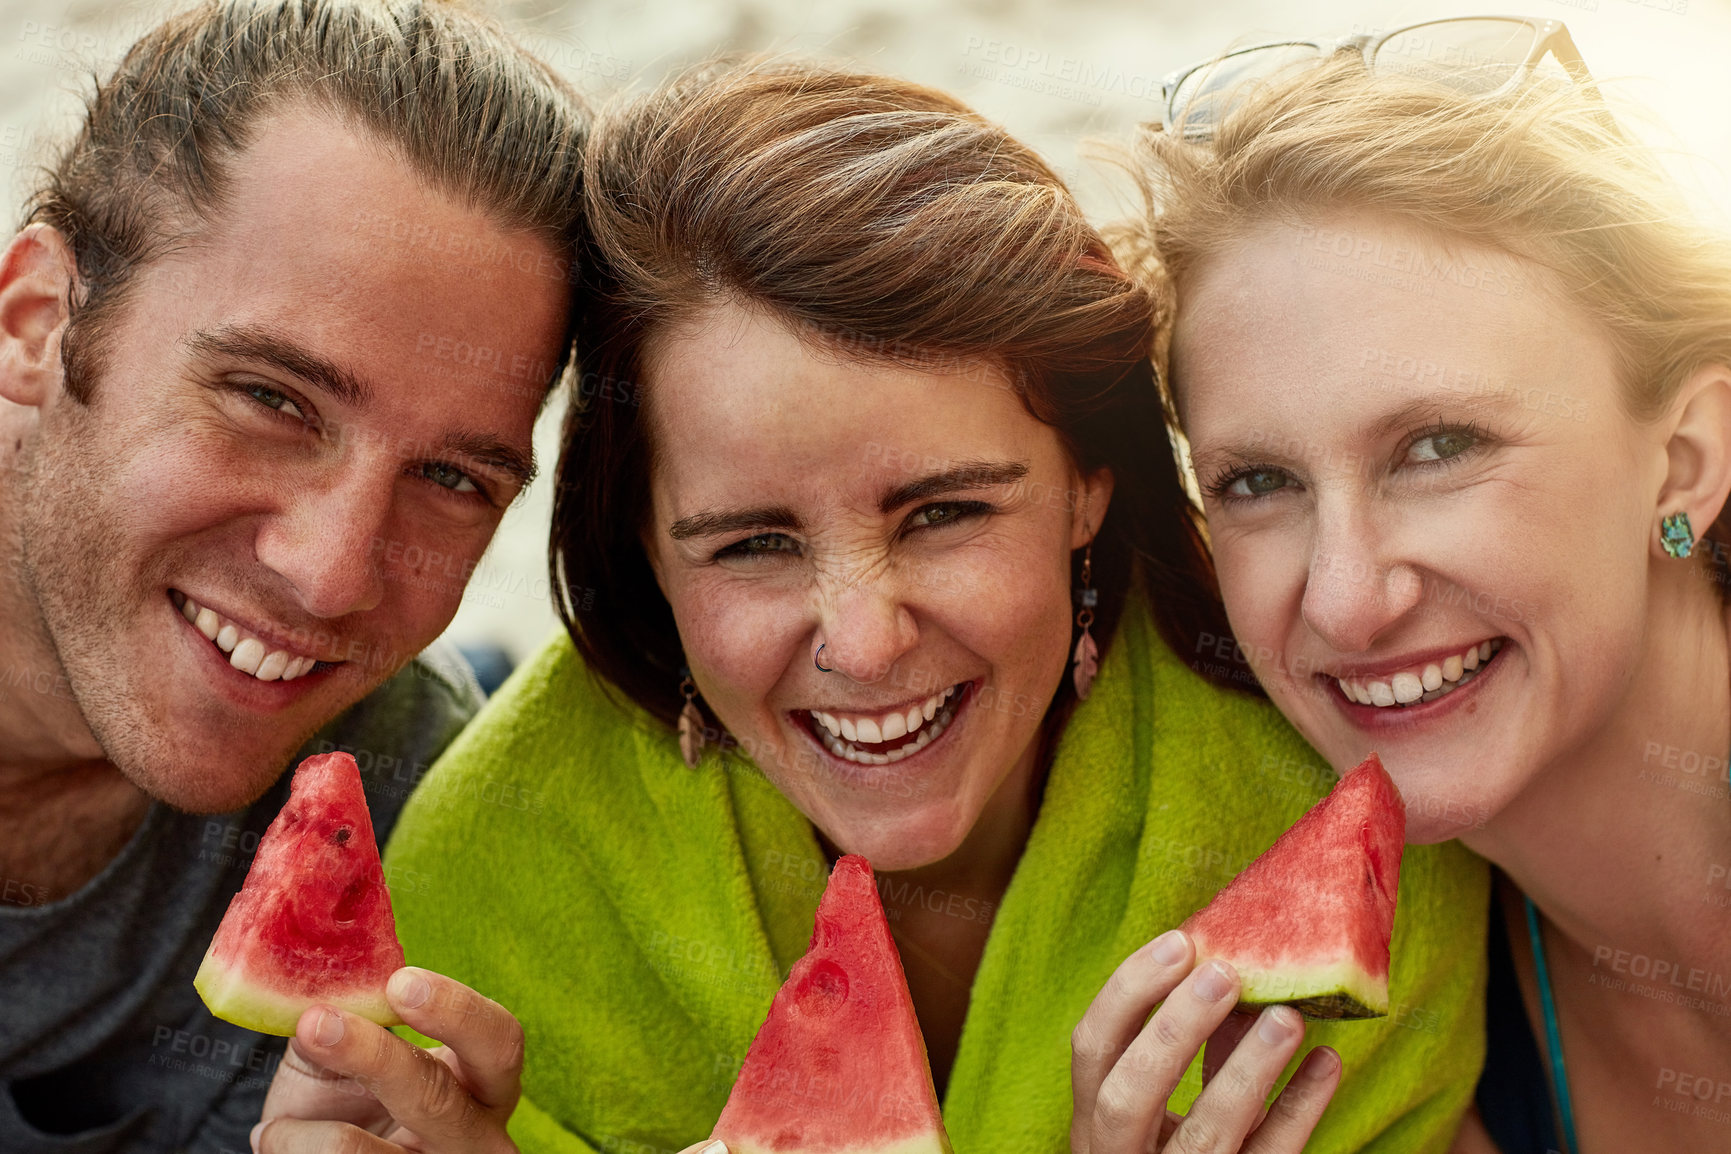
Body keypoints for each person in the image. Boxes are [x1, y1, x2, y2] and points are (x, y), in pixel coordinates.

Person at [382, 59, 1491, 1154]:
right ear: (648, 558)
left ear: (1087, 488)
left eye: (943, 514)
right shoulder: (488, 872)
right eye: (753, 544)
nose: (864, 644)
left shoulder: (1336, 792)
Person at [1128, 34, 1731, 1154]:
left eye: (1440, 446)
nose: (1347, 601)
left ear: (1687, 456)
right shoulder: (1412, 1043)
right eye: (1259, 482)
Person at [0, 1, 586, 1150]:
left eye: (456, 478)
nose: (330, 575)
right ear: (36, 324)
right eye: (272, 400)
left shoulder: (407, 796)